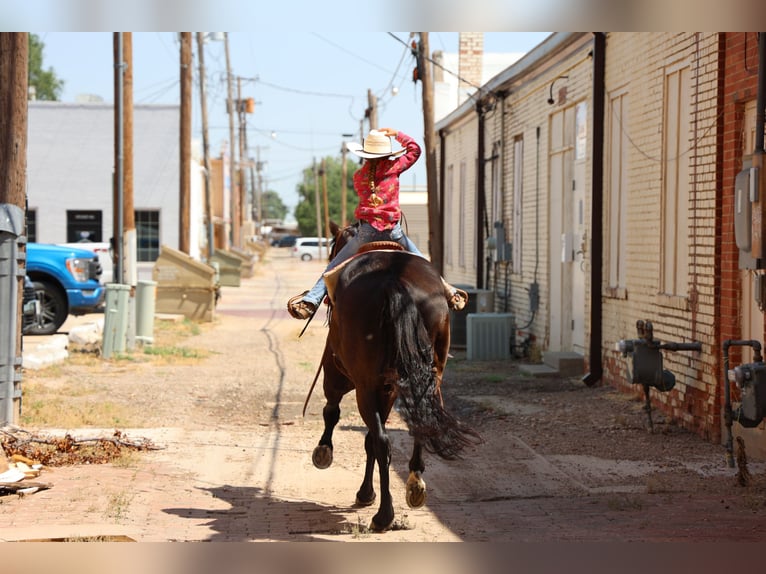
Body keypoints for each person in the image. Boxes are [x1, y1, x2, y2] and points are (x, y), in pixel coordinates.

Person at [287, 128, 467, 320]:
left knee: (334, 266)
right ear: (387, 154)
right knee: (423, 263)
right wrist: (396, 135)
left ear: (365, 155)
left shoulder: (359, 177)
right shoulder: (394, 167)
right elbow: (414, 150)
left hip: (367, 232)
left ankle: (311, 301)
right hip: (394, 232)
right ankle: (449, 293)